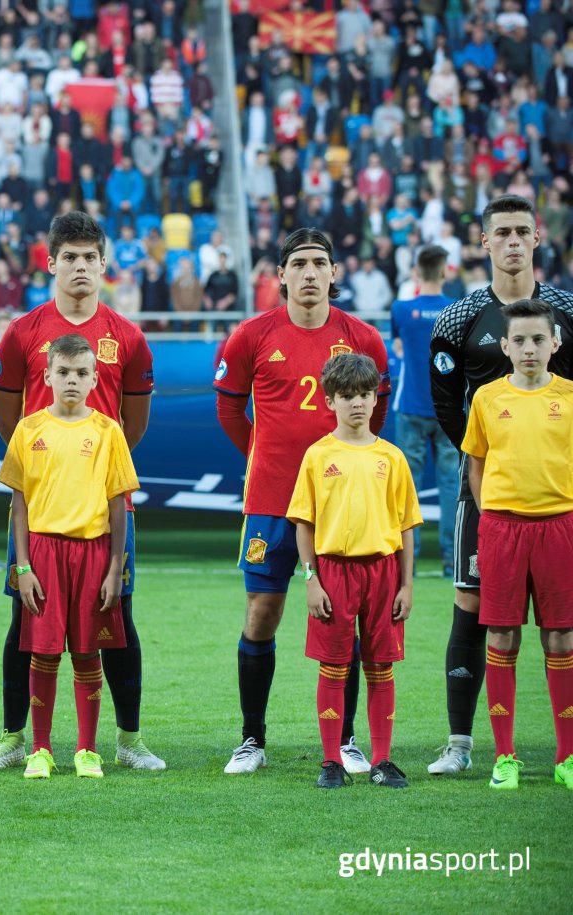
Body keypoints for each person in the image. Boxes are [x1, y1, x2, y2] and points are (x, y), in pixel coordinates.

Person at [0, 211, 164, 773]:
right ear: (51, 263)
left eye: (90, 258)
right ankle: (15, 738)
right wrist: (49, 467)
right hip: (39, 510)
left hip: (104, 509)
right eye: (70, 258)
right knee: (24, 621)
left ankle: (128, 739)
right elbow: (11, 422)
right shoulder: (22, 333)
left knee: (117, 619)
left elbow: (133, 428)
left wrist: (94, 470)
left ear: (104, 265)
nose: (80, 267)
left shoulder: (128, 338)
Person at [215, 227, 391, 776]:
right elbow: (228, 411)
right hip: (270, 499)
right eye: (300, 264)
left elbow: (375, 416)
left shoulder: (362, 338)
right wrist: (263, 457)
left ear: (334, 273)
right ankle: (251, 739)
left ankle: (347, 740)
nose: (310, 272)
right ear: (282, 275)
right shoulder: (251, 335)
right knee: (262, 614)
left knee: (347, 618)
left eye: (320, 262)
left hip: (343, 504)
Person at [426, 195, 573, 776]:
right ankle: (461, 744)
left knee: (562, 625)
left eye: (521, 232)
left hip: (557, 503)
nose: (512, 242)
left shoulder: (566, 310)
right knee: (472, 604)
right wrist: (489, 456)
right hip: (484, 489)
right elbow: (444, 405)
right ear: (484, 244)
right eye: (501, 233)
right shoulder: (458, 318)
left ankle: (563, 750)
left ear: (537, 238)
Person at [0, 334, 137, 780]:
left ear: (96, 378)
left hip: (93, 551)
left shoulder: (107, 431)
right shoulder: (29, 429)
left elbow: (119, 504)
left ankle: (87, 750)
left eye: (81, 373)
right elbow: (19, 504)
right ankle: (40, 750)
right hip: (41, 553)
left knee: (86, 652)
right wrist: (22, 566)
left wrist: (115, 569)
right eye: (63, 372)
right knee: (43, 653)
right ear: (47, 376)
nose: (72, 380)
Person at [287, 354, 421, 789]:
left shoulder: (392, 457)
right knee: (334, 665)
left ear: (374, 396)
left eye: (364, 394)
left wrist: (406, 584)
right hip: (333, 572)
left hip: (382, 574)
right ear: (330, 401)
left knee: (380, 665)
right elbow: (303, 524)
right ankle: (331, 762)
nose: (357, 404)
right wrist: (311, 579)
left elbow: (405, 527)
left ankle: (381, 761)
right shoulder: (317, 455)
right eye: (347, 396)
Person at [459, 298, 573, 791]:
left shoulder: (570, 396)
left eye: (538, 339)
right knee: (502, 638)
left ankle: (566, 757)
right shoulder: (486, 398)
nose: (529, 348)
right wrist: (491, 520)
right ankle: (505, 757)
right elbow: (476, 464)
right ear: (505, 346)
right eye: (520, 341)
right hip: (503, 530)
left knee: (562, 639)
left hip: (560, 527)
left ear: (556, 343)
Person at [389, 246, 457, 574]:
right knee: (451, 485)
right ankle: (452, 560)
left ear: (416, 273)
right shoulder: (456, 310)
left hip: (411, 408)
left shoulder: (401, 309)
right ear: (444, 272)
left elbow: (399, 346)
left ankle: (409, 562)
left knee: (409, 489)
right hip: (447, 409)